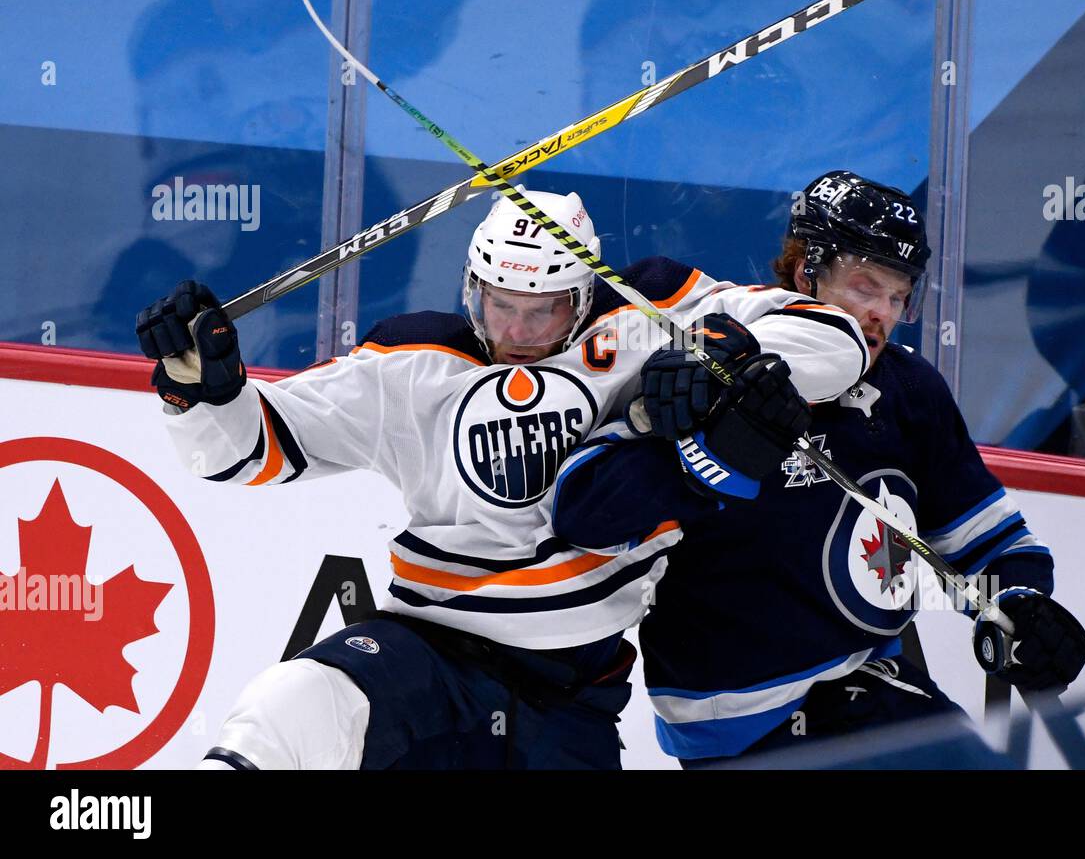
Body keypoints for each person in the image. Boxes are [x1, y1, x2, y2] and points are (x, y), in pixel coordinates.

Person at [134, 187, 869, 769]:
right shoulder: (412, 363)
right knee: (295, 704)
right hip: (432, 654)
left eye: (541, 311)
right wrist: (201, 389)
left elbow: (835, 338)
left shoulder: (651, 313)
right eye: (498, 305)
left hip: (574, 701)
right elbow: (235, 452)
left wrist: (722, 349)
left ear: (583, 297)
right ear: (471, 286)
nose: (514, 332)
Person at [550, 171, 1085, 766]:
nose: (881, 313)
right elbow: (585, 512)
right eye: (865, 286)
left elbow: (985, 540)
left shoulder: (908, 389)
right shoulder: (711, 370)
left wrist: (1015, 603)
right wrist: (695, 454)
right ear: (806, 270)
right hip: (740, 726)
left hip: (868, 688)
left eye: (897, 296)